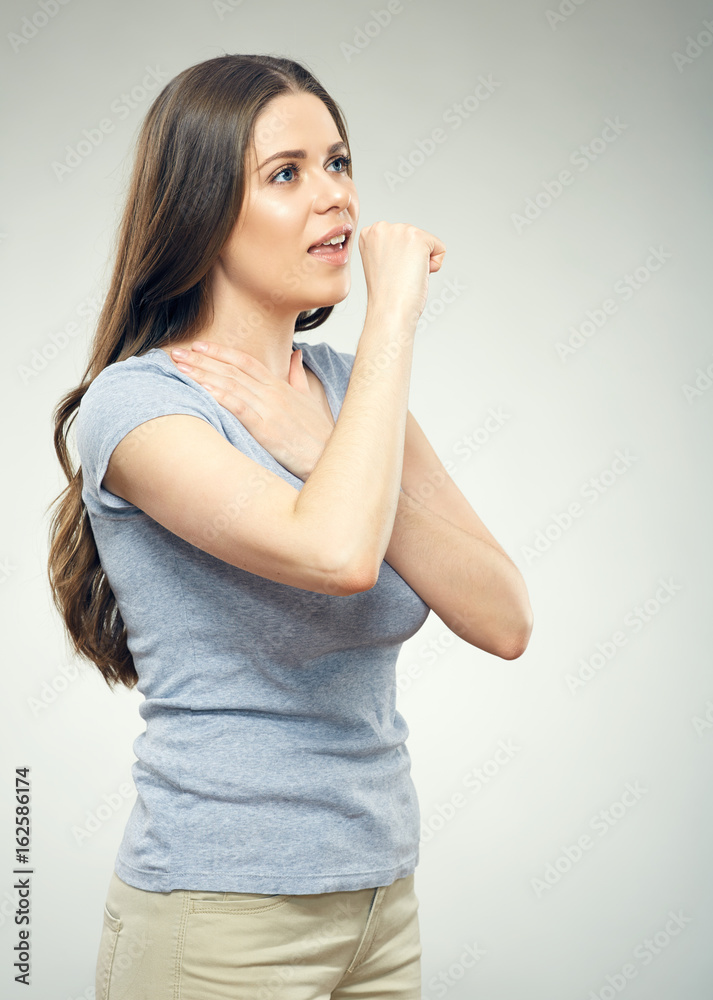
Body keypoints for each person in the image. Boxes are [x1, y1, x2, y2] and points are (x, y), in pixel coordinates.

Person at [47, 53, 533, 1000]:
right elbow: (337, 553)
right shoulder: (138, 407)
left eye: (338, 162)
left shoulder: (349, 393)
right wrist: (392, 319)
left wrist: (318, 442)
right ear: (200, 211)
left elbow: (504, 617)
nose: (335, 196)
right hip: (220, 915)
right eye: (286, 173)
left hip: (379, 901)